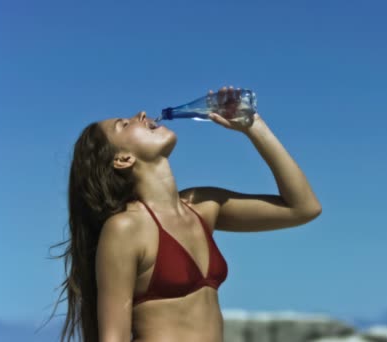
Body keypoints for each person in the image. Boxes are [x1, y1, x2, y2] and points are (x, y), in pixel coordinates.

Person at [47, 86, 322, 342]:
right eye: (125, 124)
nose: (141, 114)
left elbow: (302, 208)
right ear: (122, 159)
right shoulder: (125, 228)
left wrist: (254, 127)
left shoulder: (203, 206)